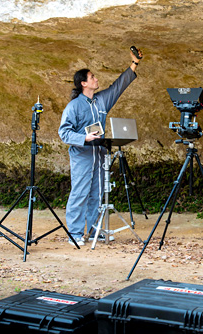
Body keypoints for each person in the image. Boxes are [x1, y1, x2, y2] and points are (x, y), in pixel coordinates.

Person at [59, 48, 143, 246]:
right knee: (80, 193)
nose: (96, 79)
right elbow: (64, 133)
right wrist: (84, 137)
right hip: (82, 155)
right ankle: (76, 233)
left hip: (100, 154)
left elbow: (118, 87)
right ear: (83, 83)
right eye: (92, 77)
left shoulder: (101, 100)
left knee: (97, 193)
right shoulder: (74, 106)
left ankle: (95, 230)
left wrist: (134, 63)